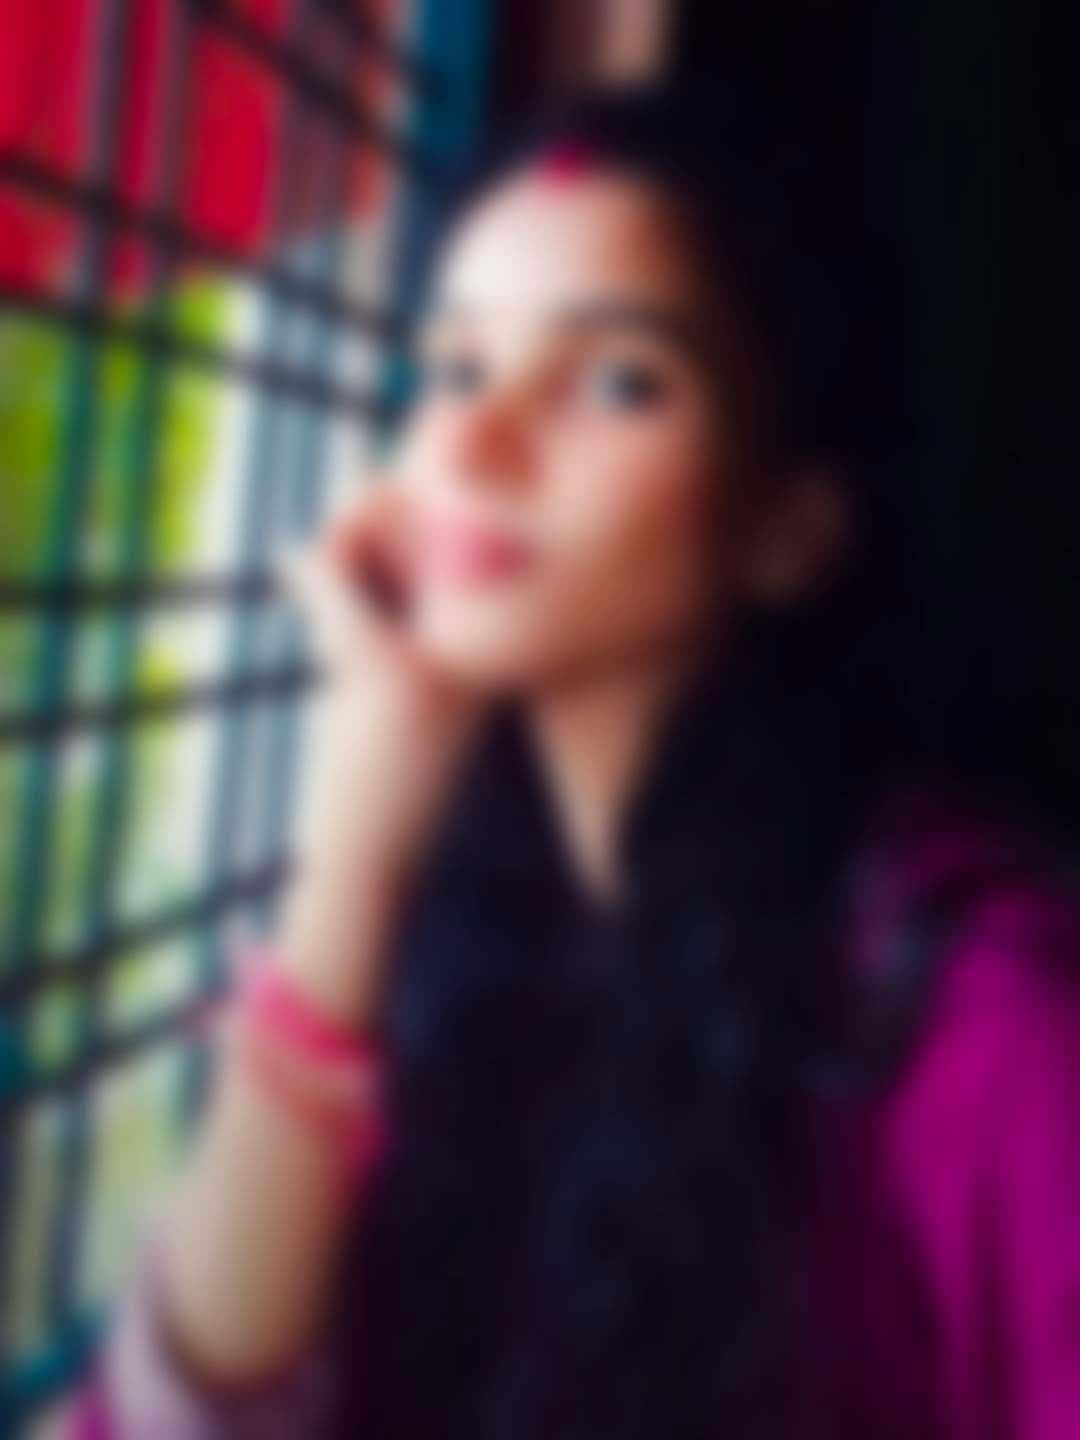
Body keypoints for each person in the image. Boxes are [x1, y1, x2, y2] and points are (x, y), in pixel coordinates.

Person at [69, 81, 1080, 1440]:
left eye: (617, 381)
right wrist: (351, 857)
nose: (473, 443)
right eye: (456, 369)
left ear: (787, 528)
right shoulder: (461, 937)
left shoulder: (990, 1031)